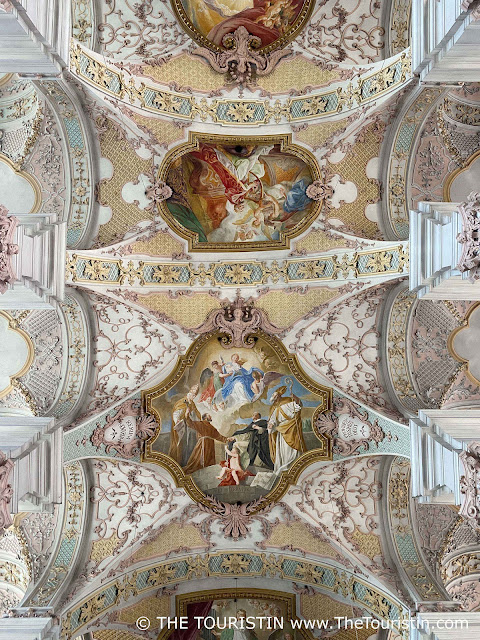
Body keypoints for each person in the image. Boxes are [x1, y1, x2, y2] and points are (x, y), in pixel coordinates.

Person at [268, 386, 305, 474]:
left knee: (290, 450)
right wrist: (270, 424)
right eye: (273, 395)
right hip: (281, 431)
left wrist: (295, 399)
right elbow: (272, 419)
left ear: (278, 395)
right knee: (282, 451)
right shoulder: (273, 408)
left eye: (274, 395)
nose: (273, 397)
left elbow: (298, 406)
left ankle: (292, 466)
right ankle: (283, 466)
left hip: (290, 428)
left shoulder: (287, 401)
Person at [169, 385, 201, 466]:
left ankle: (188, 462)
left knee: (190, 444)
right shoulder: (182, 402)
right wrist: (177, 420)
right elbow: (176, 412)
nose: (193, 396)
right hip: (182, 426)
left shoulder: (192, 404)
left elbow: (197, 415)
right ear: (189, 393)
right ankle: (181, 463)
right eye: (192, 394)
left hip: (190, 428)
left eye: (194, 395)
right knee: (181, 445)